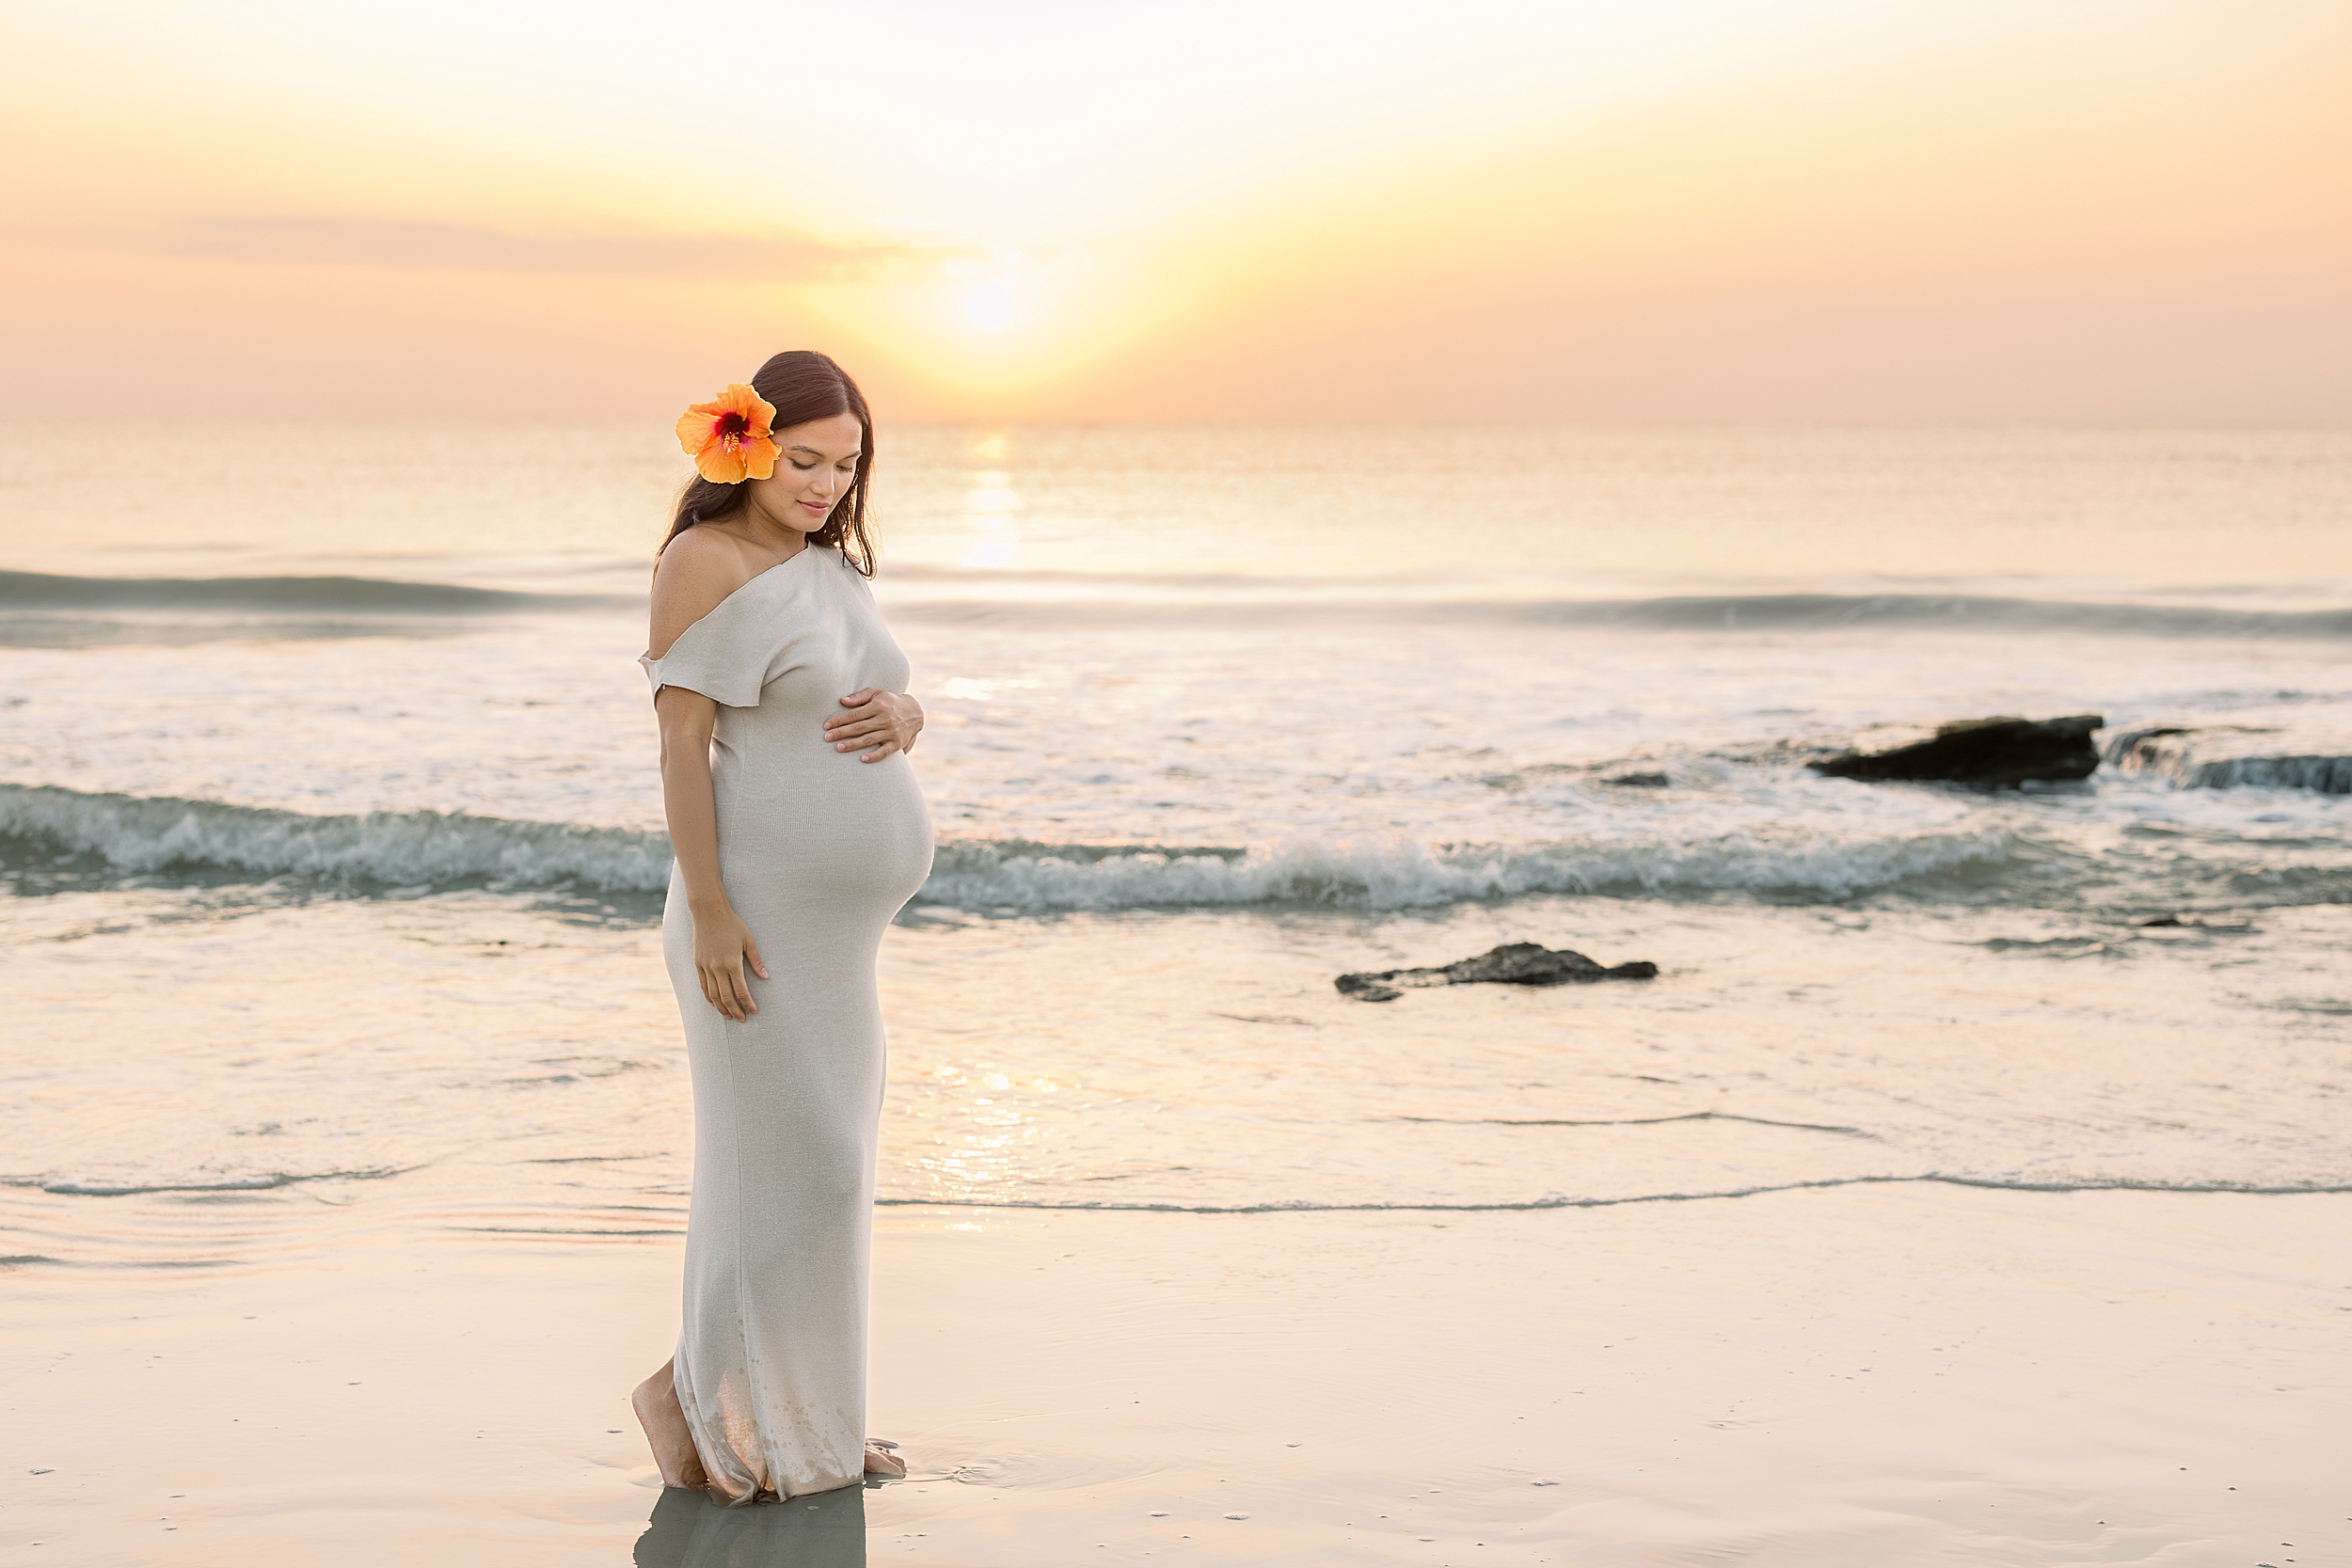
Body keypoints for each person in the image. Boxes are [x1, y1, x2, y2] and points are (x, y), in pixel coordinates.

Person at [628, 350, 932, 1502]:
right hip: (748, 924)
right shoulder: (699, 560)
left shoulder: (827, 565)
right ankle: (688, 1394)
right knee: (779, 1177)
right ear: (744, 447)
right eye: (805, 460)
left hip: (838, 945)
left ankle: (808, 1414)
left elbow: (864, 689)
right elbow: (680, 744)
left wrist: (911, 711)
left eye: (847, 465)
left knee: (833, 1169)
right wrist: (709, 908)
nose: (826, 484)